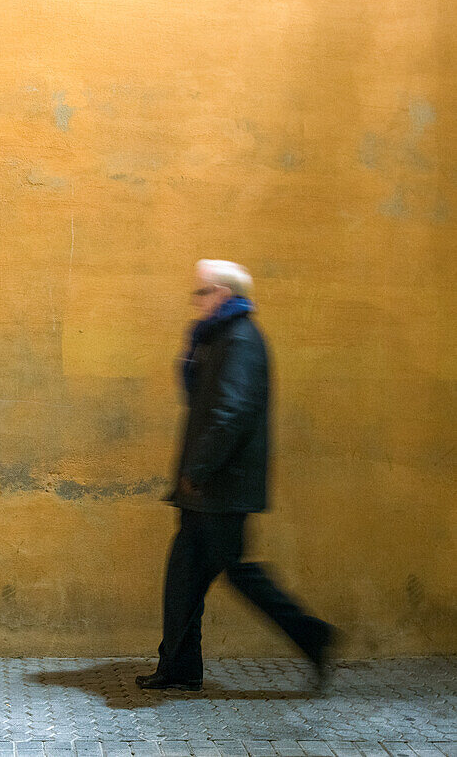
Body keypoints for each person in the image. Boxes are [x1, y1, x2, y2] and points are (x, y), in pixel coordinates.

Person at [137, 259, 334, 692]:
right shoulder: (216, 338)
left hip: (221, 486)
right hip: (205, 485)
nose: (197, 301)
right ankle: (179, 667)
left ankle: (311, 634)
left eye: (202, 293)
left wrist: (200, 468)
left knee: (237, 574)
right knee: (184, 577)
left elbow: (232, 413)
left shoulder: (241, 339)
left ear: (223, 294)